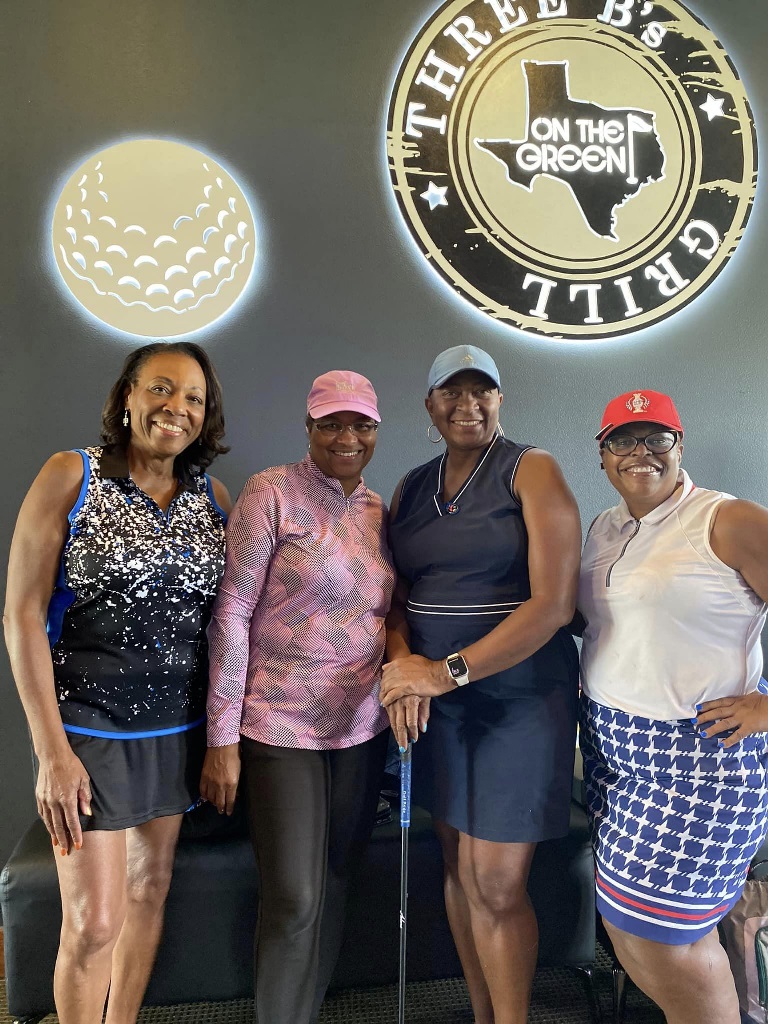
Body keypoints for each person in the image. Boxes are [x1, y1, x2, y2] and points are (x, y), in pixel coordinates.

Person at [3, 341, 231, 1024]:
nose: (176, 407)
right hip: (86, 728)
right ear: (127, 396)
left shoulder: (212, 498)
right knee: (94, 921)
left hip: (177, 728)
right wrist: (51, 752)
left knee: (148, 890)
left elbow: (225, 623)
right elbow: (20, 615)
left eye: (193, 397)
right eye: (161, 388)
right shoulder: (71, 476)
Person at [380, 345, 581, 1024]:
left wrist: (442, 673)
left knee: (494, 882)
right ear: (429, 405)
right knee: (458, 869)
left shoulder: (531, 469)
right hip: (440, 710)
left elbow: (553, 605)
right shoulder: (410, 487)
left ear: (500, 399)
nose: (468, 405)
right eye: (452, 393)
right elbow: (396, 600)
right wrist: (405, 674)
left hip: (518, 700)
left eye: (481, 392)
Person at [201, 370, 395, 1024]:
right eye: (331, 423)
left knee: (336, 882)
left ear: (376, 431)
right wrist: (222, 739)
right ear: (309, 426)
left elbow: (388, 611)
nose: (346, 437)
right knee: (295, 896)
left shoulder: (379, 511)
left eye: (360, 424)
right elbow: (231, 613)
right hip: (278, 725)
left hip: (361, 726)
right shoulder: (271, 492)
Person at [578, 389, 768, 1024]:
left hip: (699, 764)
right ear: (602, 454)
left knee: (668, 941)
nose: (640, 452)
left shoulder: (726, 519)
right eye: (622, 439)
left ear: (679, 446)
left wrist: (767, 707)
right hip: (613, 758)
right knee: (628, 926)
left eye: (656, 438)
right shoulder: (604, 527)